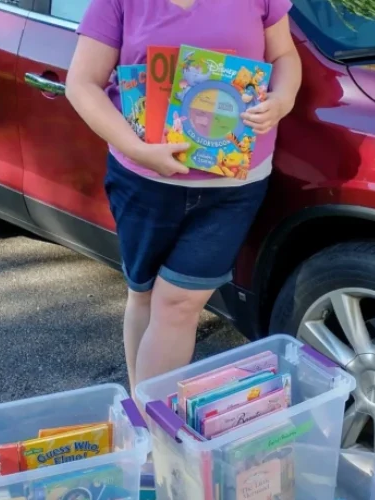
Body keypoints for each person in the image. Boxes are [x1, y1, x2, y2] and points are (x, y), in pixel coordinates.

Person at [67, 0, 302, 393]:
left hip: (232, 186)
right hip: (144, 182)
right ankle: (144, 425)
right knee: (142, 295)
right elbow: (82, 82)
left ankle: (153, 426)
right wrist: (137, 149)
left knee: (178, 305)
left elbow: (284, 55)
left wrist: (282, 100)